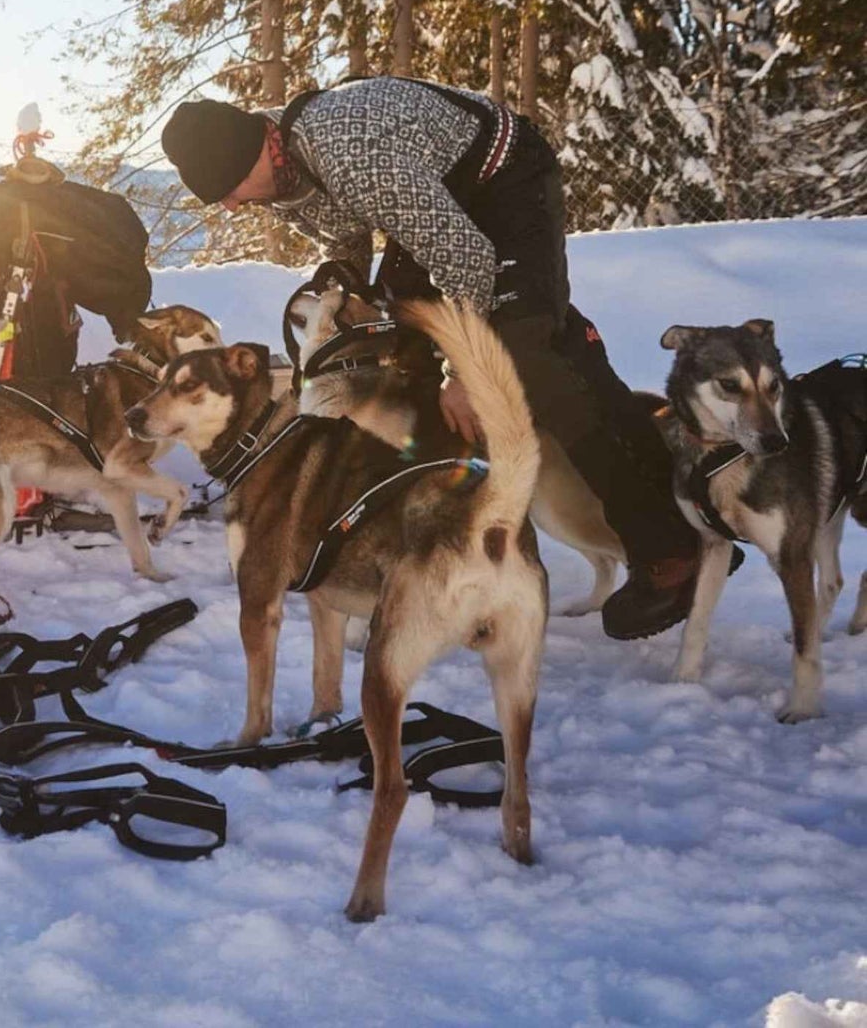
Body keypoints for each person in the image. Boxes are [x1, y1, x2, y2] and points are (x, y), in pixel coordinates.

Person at [160, 75, 702, 641]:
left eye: (229, 186)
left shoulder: (346, 148)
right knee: (406, 348)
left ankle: (667, 549)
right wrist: (347, 289)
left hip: (503, 177)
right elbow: (344, 233)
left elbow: (465, 260)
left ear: (257, 148)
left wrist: (463, 371)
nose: (231, 202)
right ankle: (432, 542)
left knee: (526, 354)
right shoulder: (281, 168)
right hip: (440, 197)